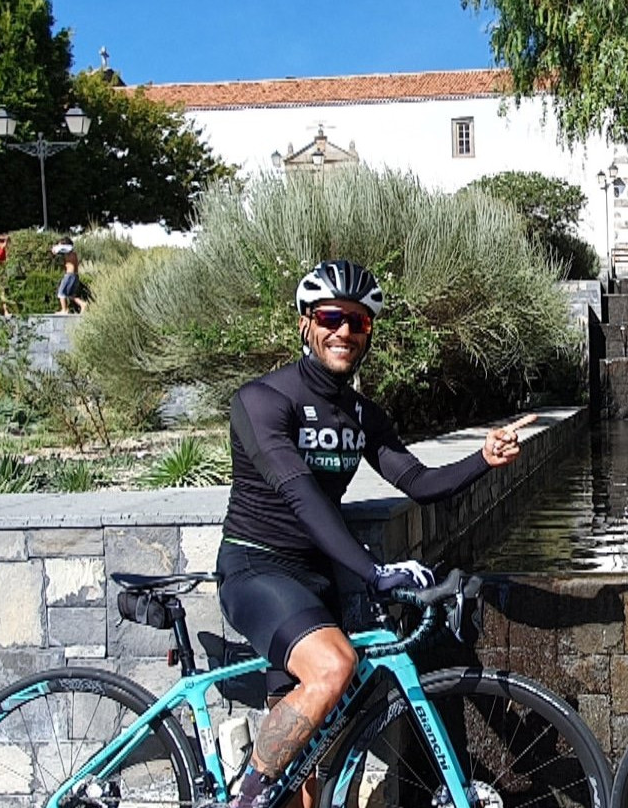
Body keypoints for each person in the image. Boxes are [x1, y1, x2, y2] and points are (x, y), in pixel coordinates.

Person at [217, 260, 535, 808]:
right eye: (331, 317)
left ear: (369, 332)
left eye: (357, 322)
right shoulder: (261, 400)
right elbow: (302, 496)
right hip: (257, 569)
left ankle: (262, 793)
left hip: (316, 582)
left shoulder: (362, 414)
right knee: (335, 666)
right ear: (305, 324)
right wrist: (374, 572)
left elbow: (417, 481)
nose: (343, 330)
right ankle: (243, 799)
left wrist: (483, 458)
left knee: (304, 765)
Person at [53, 237, 87, 314]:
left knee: (61, 293)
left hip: (69, 276)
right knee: (71, 295)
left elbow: (58, 250)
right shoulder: (73, 254)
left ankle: (64, 310)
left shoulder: (68, 252)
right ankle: (83, 304)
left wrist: (55, 248)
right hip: (75, 276)